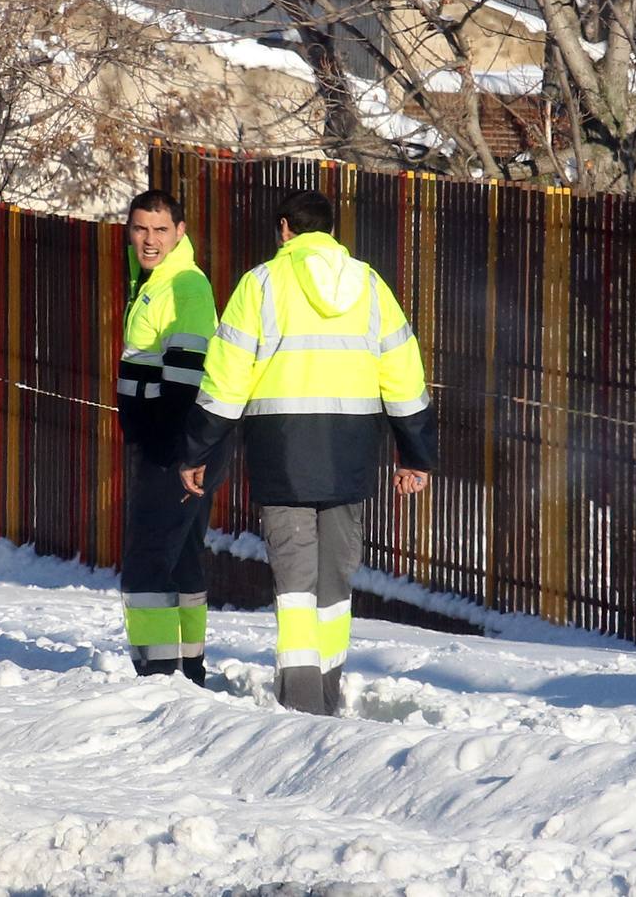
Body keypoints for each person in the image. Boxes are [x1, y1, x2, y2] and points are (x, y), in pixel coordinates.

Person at [179, 189, 437, 716]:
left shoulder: (261, 285)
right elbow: (404, 373)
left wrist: (197, 448)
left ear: (284, 230)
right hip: (352, 452)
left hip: (282, 452)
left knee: (294, 582)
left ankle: (301, 707)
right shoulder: (370, 285)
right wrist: (415, 454)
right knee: (336, 581)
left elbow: (226, 378)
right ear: (330, 231)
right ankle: (327, 693)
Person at [118, 189, 222, 686]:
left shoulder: (184, 286)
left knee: (149, 556)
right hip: (170, 442)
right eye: (141, 228)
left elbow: (186, 376)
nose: (150, 239)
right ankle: (188, 670)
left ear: (181, 232)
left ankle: (158, 675)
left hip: (175, 445)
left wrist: (182, 452)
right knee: (180, 556)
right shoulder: (153, 281)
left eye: (161, 230)